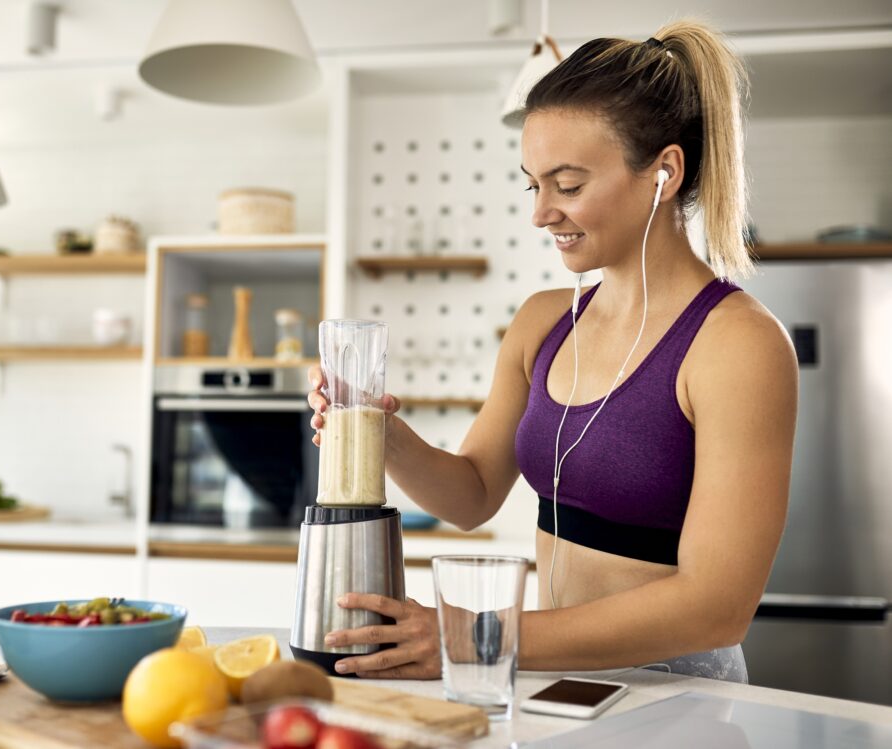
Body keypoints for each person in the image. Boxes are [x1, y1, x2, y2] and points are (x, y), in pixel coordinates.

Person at [306, 19, 798, 682]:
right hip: (554, 681)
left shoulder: (738, 344)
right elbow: (473, 493)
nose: (541, 213)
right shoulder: (544, 322)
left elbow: (716, 608)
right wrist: (378, 430)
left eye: (567, 185)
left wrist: (477, 634)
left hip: (683, 697)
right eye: (532, 185)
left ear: (664, 173)